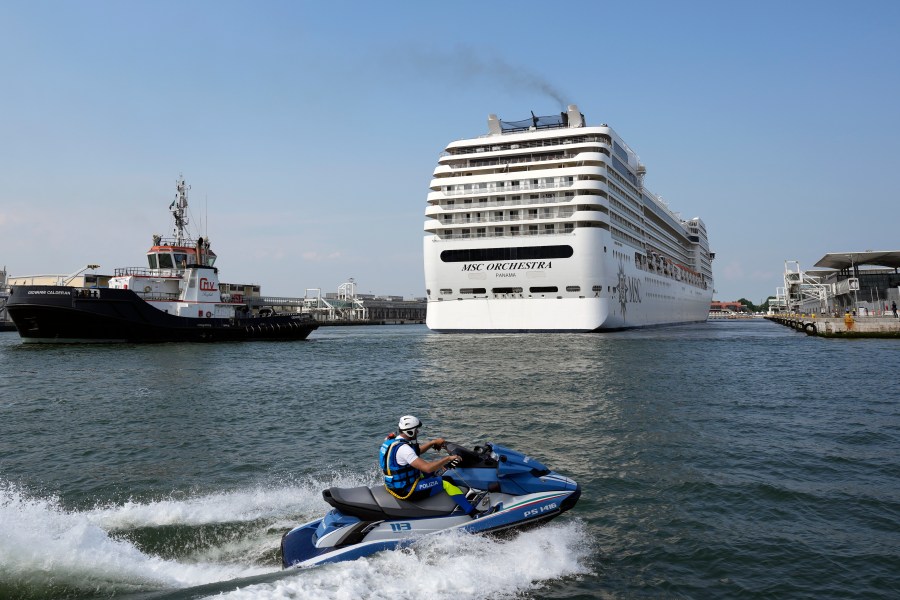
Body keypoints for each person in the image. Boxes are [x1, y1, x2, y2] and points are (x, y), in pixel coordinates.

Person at [379, 415, 479, 516]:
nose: (418, 432)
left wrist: (433, 443)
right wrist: (447, 459)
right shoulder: (404, 449)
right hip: (406, 490)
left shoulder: (393, 442)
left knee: (437, 470)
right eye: (416, 430)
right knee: (447, 481)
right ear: (410, 431)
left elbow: (414, 453)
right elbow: (427, 468)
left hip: (396, 485)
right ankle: (473, 513)